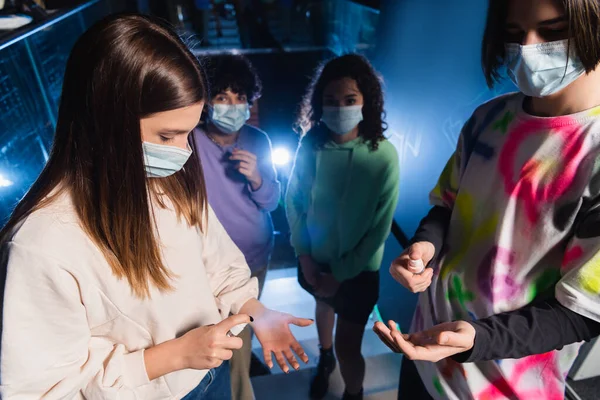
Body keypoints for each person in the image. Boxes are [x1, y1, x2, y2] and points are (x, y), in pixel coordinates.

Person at [0, 14, 313, 399]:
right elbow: (45, 391)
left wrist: (258, 312)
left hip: (210, 376)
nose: (184, 152)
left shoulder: (171, 182)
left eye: (188, 132)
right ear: (105, 121)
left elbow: (218, 265)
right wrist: (174, 355)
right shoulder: (43, 245)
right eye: (167, 135)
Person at [374, 0, 600, 399]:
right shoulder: (486, 119)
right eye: (514, 34)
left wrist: (478, 338)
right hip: (424, 356)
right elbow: (447, 207)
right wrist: (424, 246)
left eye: (552, 31)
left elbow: (582, 310)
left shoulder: (593, 151)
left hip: (504, 384)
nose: (528, 48)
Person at [286, 54, 399, 400]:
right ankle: (323, 358)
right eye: (331, 101)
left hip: (358, 272)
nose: (340, 108)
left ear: (367, 101)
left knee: (350, 346)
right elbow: (295, 203)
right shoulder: (311, 145)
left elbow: (380, 227)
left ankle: (354, 392)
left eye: (349, 100)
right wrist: (304, 256)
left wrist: (342, 273)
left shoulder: (383, 155)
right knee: (322, 306)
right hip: (315, 260)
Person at [193, 53, 280, 400]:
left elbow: (272, 201)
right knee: (217, 332)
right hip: (208, 262)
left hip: (256, 252)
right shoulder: (190, 139)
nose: (233, 106)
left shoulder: (259, 140)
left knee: (241, 329)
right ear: (206, 101)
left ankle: (240, 388)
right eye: (222, 97)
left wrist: (258, 177)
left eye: (240, 98)